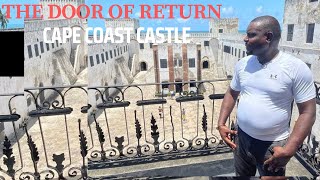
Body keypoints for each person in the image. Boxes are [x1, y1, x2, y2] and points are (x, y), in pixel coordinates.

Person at [217, 15, 316, 177]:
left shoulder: (295, 68)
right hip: (241, 139)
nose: (245, 38)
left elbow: (308, 112)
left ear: (268, 37)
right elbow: (231, 92)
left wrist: (289, 149)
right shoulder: (243, 64)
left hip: (272, 146)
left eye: (251, 35)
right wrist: (221, 123)